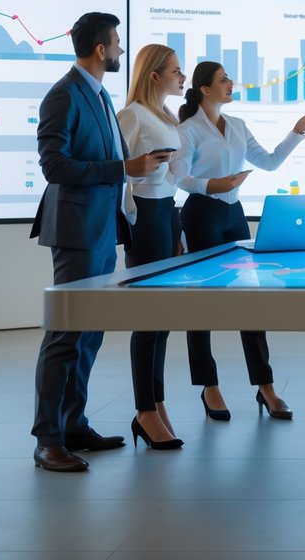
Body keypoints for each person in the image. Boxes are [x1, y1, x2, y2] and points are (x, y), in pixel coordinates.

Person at [29, 12, 169, 472]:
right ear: (101, 50)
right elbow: (55, 167)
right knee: (66, 334)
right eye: (117, 42)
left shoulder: (101, 94)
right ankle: (48, 439)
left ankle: (74, 425)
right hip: (75, 231)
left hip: (103, 229)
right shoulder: (63, 95)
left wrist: (131, 169)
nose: (121, 50)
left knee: (89, 333)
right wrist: (123, 171)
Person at [170, 60, 305, 422]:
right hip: (201, 214)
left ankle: (265, 386)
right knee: (202, 305)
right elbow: (179, 177)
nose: (231, 82)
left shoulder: (237, 125)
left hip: (233, 216)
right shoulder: (188, 130)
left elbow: (269, 162)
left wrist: (296, 132)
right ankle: (209, 385)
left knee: (249, 302)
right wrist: (213, 185)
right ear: (205, 89)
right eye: (223, 80)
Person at [116, 44, 186, 450]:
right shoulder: (132, 115)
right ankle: (144, 410)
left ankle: (155, 402)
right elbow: (119, 170)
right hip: (143, 214)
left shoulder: (166, 116)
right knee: (148, 318)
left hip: (167, 212)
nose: (183, 77)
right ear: (154, 75)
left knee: (162, 317)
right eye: (176, 71)